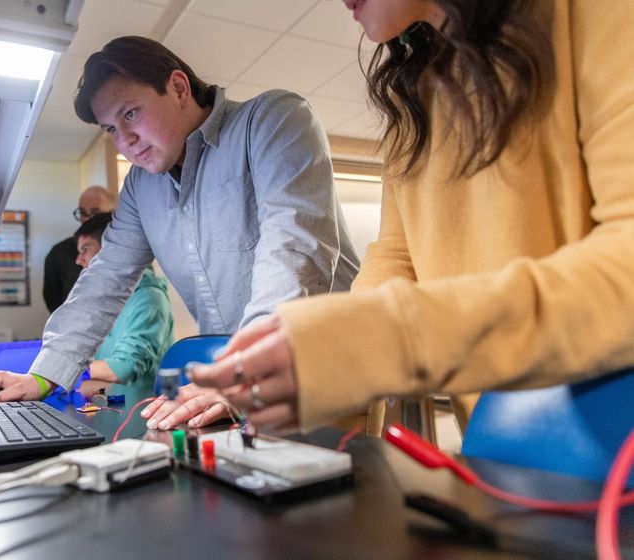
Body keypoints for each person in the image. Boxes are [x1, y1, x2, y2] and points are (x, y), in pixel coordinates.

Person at [155, 0, 634, 435]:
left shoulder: (596, 13)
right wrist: (316, 358)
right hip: (508, 448)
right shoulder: (414, 94)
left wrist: (386, 340)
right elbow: (395, 254)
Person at [0, 36, 359, 405]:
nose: (124, 140)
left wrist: (244, 369)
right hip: (245, 387)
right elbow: (104, 278)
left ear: (179, 88)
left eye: (130, 113)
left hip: (328, 368)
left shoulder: (273, 121)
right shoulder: (140, 187)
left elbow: (293, 250)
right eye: (112, 128)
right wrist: (43, 375)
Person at [74, 212, 173, 391]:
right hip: (111, 401)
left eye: (86, 250)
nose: (79, 260)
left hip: (142, 410)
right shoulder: (108, 298)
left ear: (111, 250)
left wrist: (62, 369)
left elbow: (124, 368)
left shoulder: (149, 298)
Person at [42, 185, 115, 313]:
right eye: (82, 213)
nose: (87, 219)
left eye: (95, 213)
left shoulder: (131, 251)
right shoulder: (59, 254)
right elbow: (54, 303)